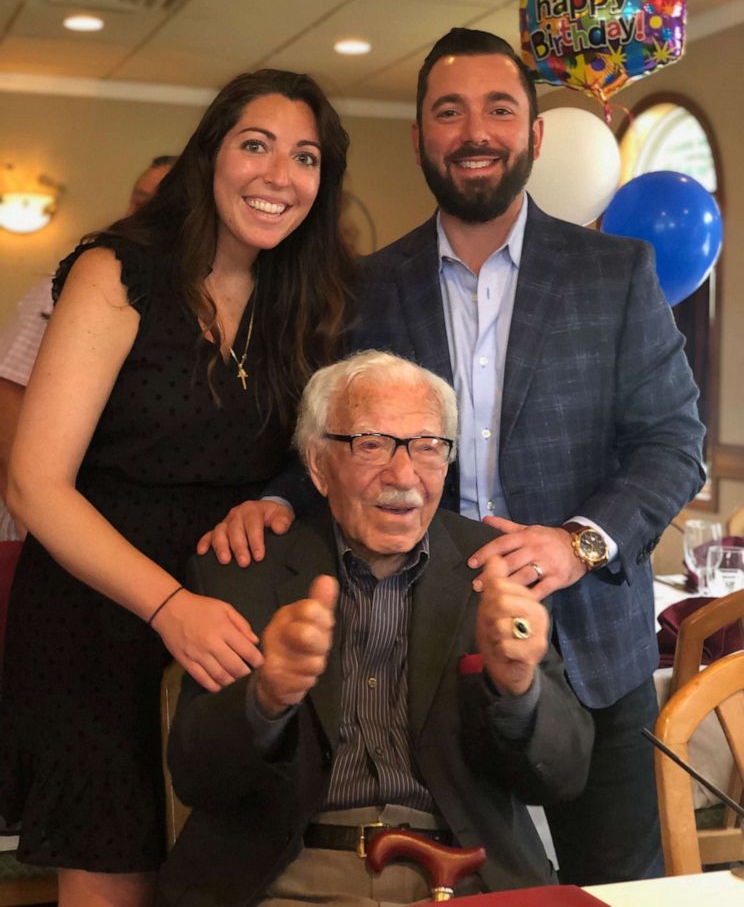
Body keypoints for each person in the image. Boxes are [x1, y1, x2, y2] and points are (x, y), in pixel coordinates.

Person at [202, 29, 706, 887]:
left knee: (615, 891)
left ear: (535, 136)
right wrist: (279, 498)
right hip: (419, 660)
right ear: (420, 138)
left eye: (500, 108)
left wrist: (575, 542)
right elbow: (326, 433)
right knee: (470, 873)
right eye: (450, 111)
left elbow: (675, 444)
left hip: (587, 647)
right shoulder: (362, 286)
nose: (475, 130)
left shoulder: (616, 273)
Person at [0, 69, 353, 907]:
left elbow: (314, 462)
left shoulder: (303, 297)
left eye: (305, 157)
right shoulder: (116, 272)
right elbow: (32, 484)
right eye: (255, 145)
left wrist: (275, 501)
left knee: (223, 876)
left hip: (235, 619)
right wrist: (167, 607)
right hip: (103, 616)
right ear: (210, 155)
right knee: (116, 872)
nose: (279, 175)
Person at [158, 351, 593, 907]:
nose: (403, 475)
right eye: (372, 444)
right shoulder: (247, 567)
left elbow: (564, 774)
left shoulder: (490, 567)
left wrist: (519, 690)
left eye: (428, 447)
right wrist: (265, 698)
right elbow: (196, 775)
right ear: (318, 464)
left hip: (465, 875)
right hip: (291, 875)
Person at [0, 155, 177, 542]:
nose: (140, 213)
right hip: (40, 524)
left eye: (157, 203)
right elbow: (9, 394)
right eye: (138, 199)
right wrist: (30, 519)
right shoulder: (69, 289)